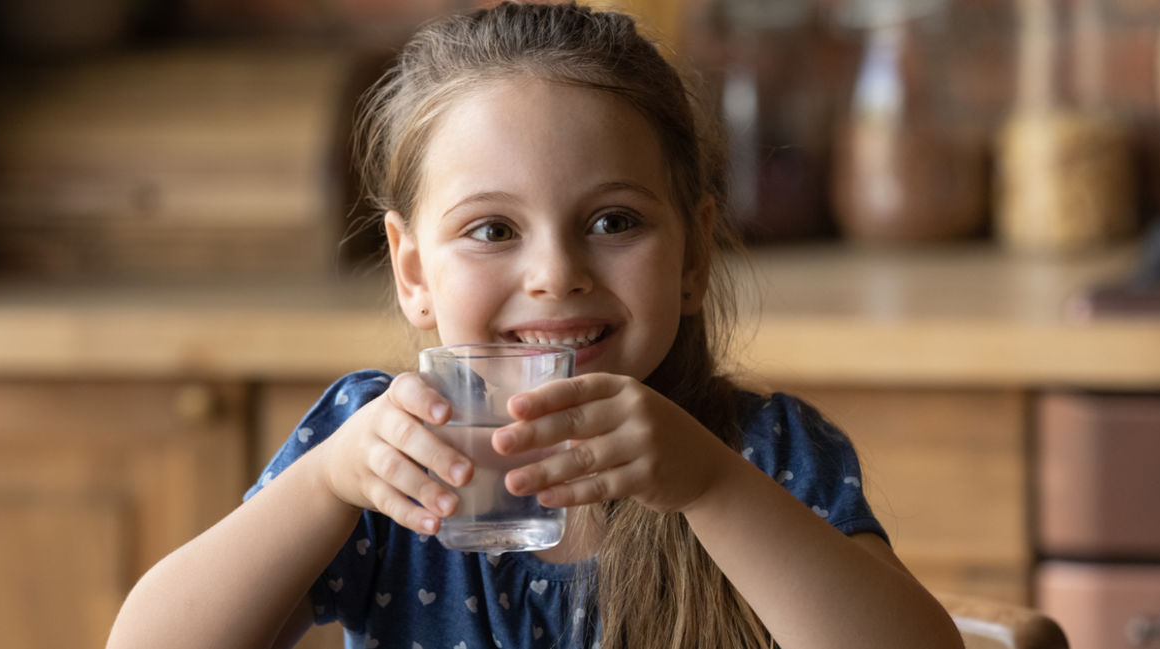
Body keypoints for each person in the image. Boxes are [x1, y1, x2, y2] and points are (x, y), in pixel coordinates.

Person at [106, 3, 962, 648]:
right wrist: (328, 482)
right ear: (413, 273)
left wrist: (711, 486)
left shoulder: (760, 455)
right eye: (492, 230)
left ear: (695, 255)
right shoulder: (380, 459)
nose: (556, 274)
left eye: (614, 221)